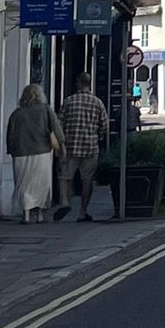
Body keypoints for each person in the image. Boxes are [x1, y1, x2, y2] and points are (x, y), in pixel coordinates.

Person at [55, 73, 109, 222]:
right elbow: (104, 125)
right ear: (89, 84)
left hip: (70, 147)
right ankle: (82, 212)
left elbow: (59, 123)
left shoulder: (68, 101)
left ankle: (65, 201)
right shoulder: (97, 102)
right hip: (90, 148)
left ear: (78, 83)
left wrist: (61, 143)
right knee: (87, 180)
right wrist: (98, 136)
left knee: (64, 177)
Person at [6, 84, 62, 224]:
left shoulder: (17, 113)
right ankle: (40, 215)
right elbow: (55, 127)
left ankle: (25, 215)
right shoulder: (46, 110)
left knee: (24, 183)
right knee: (41, 183)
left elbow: (10, 134)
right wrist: (61, 145)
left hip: (21, 152)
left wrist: (11, 150)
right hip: (42, 151)